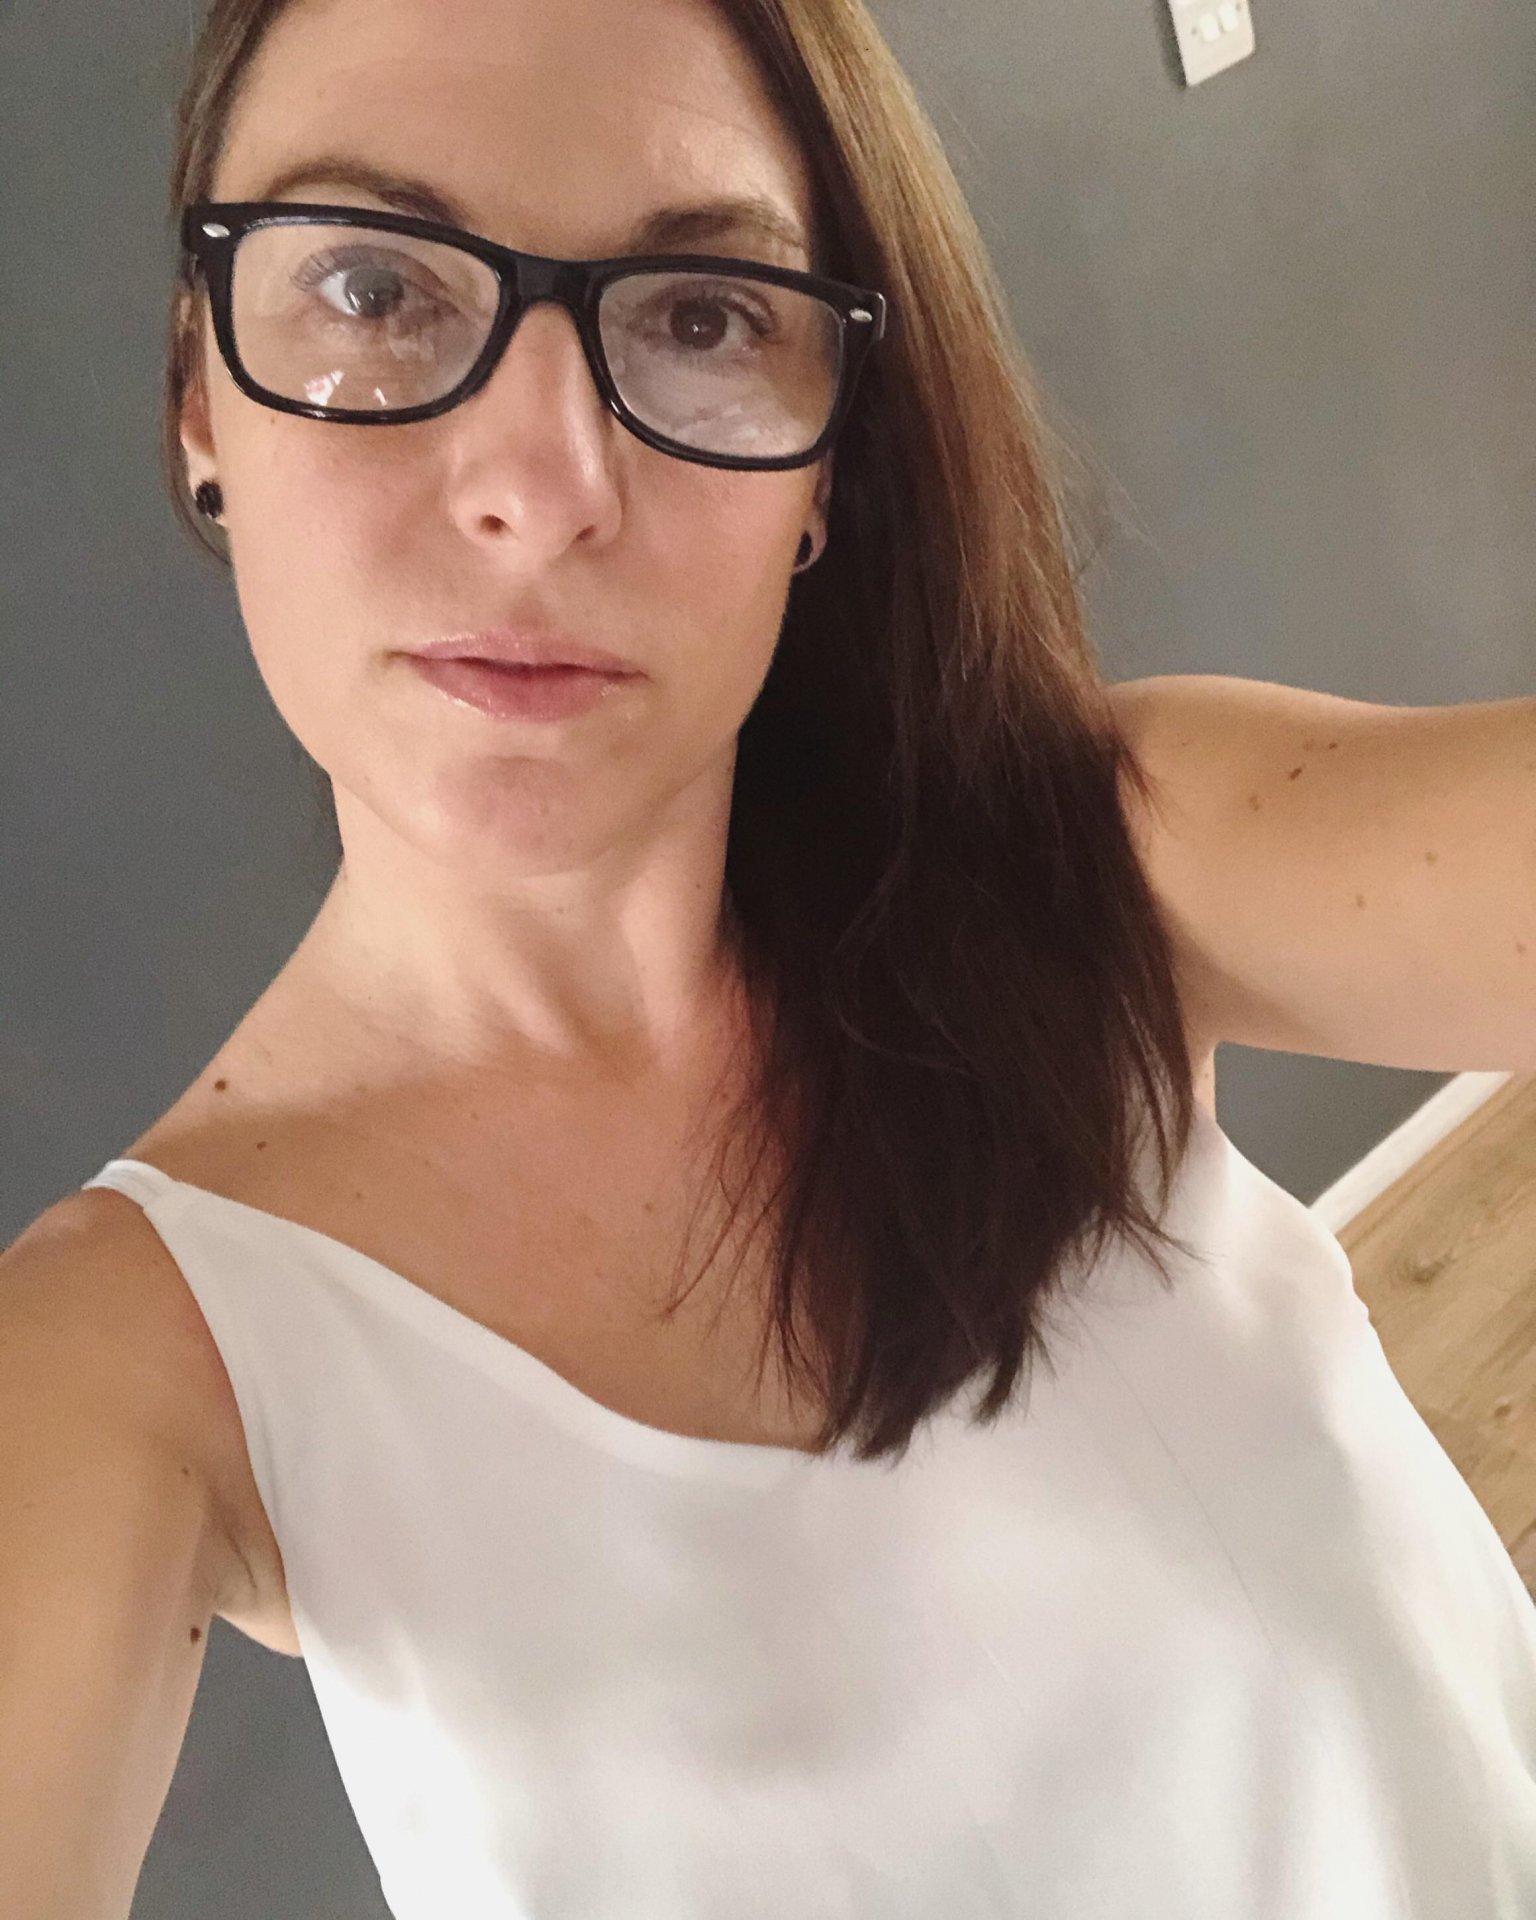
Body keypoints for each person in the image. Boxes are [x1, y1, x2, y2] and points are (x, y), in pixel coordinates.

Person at [5, 0, 1535, 1914]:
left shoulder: (1105, 869)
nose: (540, 483)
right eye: (376, 288)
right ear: (201, 404)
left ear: (825, 473)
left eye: (702, 316)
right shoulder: (129, 1362)